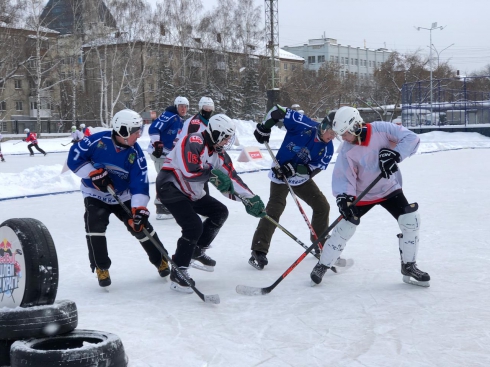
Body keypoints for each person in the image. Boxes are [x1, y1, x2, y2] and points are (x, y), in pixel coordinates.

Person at [309, 106, 430, 287]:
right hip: (362, 194)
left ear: (356, 126)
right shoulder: (347, 150)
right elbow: (344, 176)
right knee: (345, 227)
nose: (343, 138)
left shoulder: (382, 129)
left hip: (389, 189)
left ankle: (409, 266)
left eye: (345, 133)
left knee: (410, 220)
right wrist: (344, 198)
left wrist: (395, 155)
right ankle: (323, 264)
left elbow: (412, 138)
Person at [155, 114, 266, 293]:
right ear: (216, 133)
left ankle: (196, 250)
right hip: (171, 187)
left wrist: (250, 199)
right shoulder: (194, 140)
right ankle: (178, 271)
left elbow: (231, 179)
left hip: (192, 191)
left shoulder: (219, 153)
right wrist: (213, 174)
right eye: (226, 137)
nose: (227, 141)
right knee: (193, 226)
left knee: (219, 212)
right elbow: (190, 171)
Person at [67, 109, 171, 287]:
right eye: (135, 131)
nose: (139, 135)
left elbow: (140, 183)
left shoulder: (136, 155)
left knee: (139, 225)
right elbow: (74, 157)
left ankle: (160, 259)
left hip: (123, 195)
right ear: (123, 131)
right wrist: (92, 173)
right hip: (95, 193)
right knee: (95, 225)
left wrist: (139, 208)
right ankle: (101, 267)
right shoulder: (97, 141)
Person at [250, 106, 336, 270]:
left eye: (335, 134)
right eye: (331, 132)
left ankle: (320, 243)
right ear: (325, 125)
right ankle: (258, 250)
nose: (332, 137)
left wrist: (295, 170)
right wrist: (265, 127)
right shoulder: (302, 123)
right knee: (275, 209)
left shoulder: (328, 148)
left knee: (322, 206)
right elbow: (277, 111)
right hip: (279, 174)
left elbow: (313, 170)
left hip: (300, 179)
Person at [147, 96, 189, 220]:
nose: (183, 109)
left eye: (186, 106)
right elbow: (153, 128)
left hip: (167, 154)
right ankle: (161, 208)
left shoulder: (179, 120)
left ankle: (168, 205)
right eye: (181, 106)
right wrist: (157, 143)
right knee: (165, 179)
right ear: (176, 106)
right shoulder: (170, 115)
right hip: (160, 154)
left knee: (172, 179)